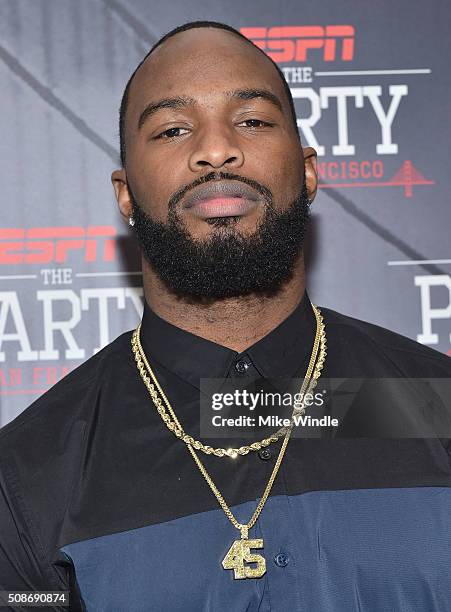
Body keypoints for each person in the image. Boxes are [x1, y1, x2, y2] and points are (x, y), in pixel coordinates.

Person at [1, 21, 451, 612]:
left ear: (309, 171)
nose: (215, 150)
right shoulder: (29, 472)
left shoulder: (433, 406)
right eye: (172, 129)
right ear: (126, 195)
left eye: (253, 121)